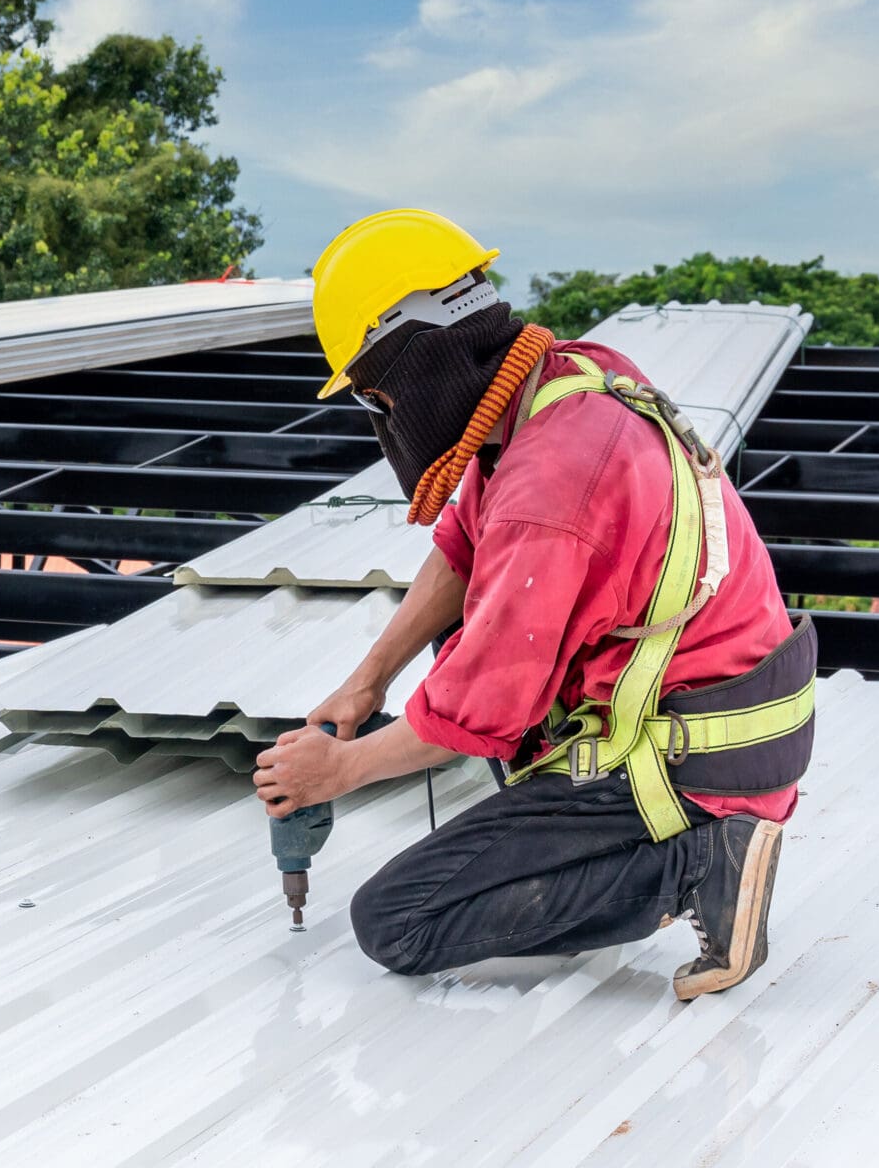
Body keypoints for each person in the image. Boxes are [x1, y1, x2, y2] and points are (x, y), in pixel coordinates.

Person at [252, 207, 816, 1001]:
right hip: (722, 714)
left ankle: (700, 863)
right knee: (485, 706)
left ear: (414, 362)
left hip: (695, 758)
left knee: (397, 921)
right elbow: (463, 546)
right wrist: (367, 683)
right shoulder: (561, 380)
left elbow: (476, 714)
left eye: (375, 394)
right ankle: (636, 846)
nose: (379, 413)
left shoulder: (552, 486)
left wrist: (338, 771)